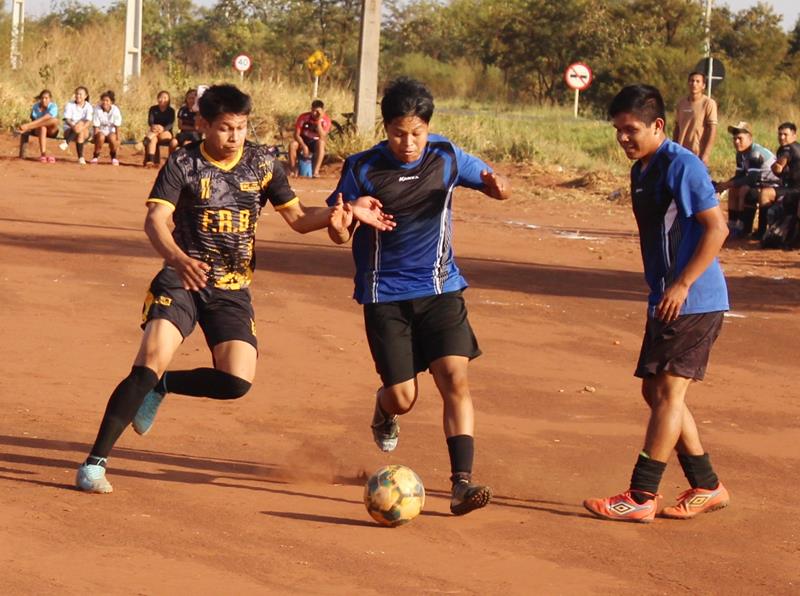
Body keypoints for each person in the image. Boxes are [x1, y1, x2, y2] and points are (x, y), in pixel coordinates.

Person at [75, 84, 394, 493]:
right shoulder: (184, 162)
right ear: (205, 124)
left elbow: (297, 217)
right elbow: (155, 221)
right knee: (148, 360)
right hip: (183, 278)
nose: (234, 136)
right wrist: (177, 259)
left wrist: (346, 211)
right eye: (226, 128)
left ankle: (165, 385)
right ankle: (95, 464)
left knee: (236, 382)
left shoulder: (262, 163)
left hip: (233, 289)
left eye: (241, 128)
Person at [325, 77, 510, 516]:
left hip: (440, 288)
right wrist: (342, 218)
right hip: (383, 294)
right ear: (385, 128)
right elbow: (338, 231)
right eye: (398, 133)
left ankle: (462, 485)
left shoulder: (445, 155)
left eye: (417, 133)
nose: (408, 143)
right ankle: (383, 407)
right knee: (403, 397)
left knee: (454, 378)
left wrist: (499, 186)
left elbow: (494, 184)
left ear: (428, 127)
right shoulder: (362, 167)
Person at [583, 84, 730, 523]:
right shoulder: (642, 170)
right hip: (666, 299)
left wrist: (683, 284)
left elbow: (717, 229)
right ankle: (707, 485)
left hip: (694, 299)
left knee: (667, 392)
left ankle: (642, 495)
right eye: (618, 130)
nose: (623, 138)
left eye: (631, 129)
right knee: (656, 391)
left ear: (658, 126)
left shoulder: (681, 166)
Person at [714, 122, 780, 238]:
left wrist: (726, 185)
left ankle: (744, 226)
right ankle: (733, 225)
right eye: (734, 139)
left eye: (740, 138)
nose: (736, 142)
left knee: (745, 189)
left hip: (772, 184)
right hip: (759, 183)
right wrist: (725, 184)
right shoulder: (740, 154)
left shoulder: (755, 153)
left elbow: (751, 179)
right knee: (734, 189)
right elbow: (739, 176)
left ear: (750, 138)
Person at [672, 71, 718, 166]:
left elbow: (712, 129)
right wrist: (674, 148)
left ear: (703, 85)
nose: (694, 84)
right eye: (692, 81)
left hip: (698, 153)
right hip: (681, 152)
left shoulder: (708, 103)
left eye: (698, 81)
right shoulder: (681, 103)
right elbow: (677, 128)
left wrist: (706, 153)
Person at [289, 99, 331, 178]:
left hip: (315, 142)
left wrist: (318, 121)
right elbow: (296, 134)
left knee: (321, 143)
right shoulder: (303, 117)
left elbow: (323, 137)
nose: (314, 113)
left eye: (317, 111)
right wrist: (304, 146)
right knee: (292, 145)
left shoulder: (326, 120)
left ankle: (316, 171)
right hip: (303, 140)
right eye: (313, 111)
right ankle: (293, 170)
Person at [17, 89, 60, 163]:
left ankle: (28, 127)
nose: (44, 100)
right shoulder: (36, 106)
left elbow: (46, 117)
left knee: (55, 120)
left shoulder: (53, 106)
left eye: (46, 98)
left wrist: (28, 126)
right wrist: (31, 125)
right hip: (38, 130)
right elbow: (34, 120)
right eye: (42, 98)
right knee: (42, 127)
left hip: (51, 131)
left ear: (50, 99)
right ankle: (43, 154)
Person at [61, 86, 93, 165]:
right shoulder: (69, 104)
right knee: (79, 128)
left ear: (85, 96)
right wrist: (74, 127)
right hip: (69, 130)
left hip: (84, 129)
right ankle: (81, 157)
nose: (78, 96)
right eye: (76, 94)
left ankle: (67, 142)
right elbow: (67, 120)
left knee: (81, 124)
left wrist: (80, 128)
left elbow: (88, 121)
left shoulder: (88, 106)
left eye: (80, 94)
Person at [144, 90, 176, 167]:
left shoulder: (171, 111)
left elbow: (171, 124)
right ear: (157, 99)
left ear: (168, 100)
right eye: (160, 97)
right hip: (154, 130)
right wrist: (154, 126)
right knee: (154, 139)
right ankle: (151, 161)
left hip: (166, 132)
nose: (162, 100)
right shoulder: (153, 109)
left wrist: (163, 129)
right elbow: (150, 121)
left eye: (165, 98)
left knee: (152, 137)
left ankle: (149, 139)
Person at [91, 90, 122, 165]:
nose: (105, 102)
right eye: (103, 100)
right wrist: (95, 137)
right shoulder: (97, 109)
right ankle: (96, 156)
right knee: (101, 137)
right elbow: (96, 126)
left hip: (112, 131)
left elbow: (117, 125)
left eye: (107, 101)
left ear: (111, 102)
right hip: (100, 131)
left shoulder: (115, 110)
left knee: (112, 138)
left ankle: (114, 156)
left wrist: (118, 138)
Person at [169, 88, 201, 154]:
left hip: (195, 136)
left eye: (193, 98)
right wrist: (192, 128)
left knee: (186, 144)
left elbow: (198, 128)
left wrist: (193, 128)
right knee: (173, 143)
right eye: (189, 98)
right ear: (186, 98)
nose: (191, 100)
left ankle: (184, 162)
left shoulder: (200, 111)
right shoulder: (182, 109)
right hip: (183, 134)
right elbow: (180, 126)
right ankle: (170, 160)